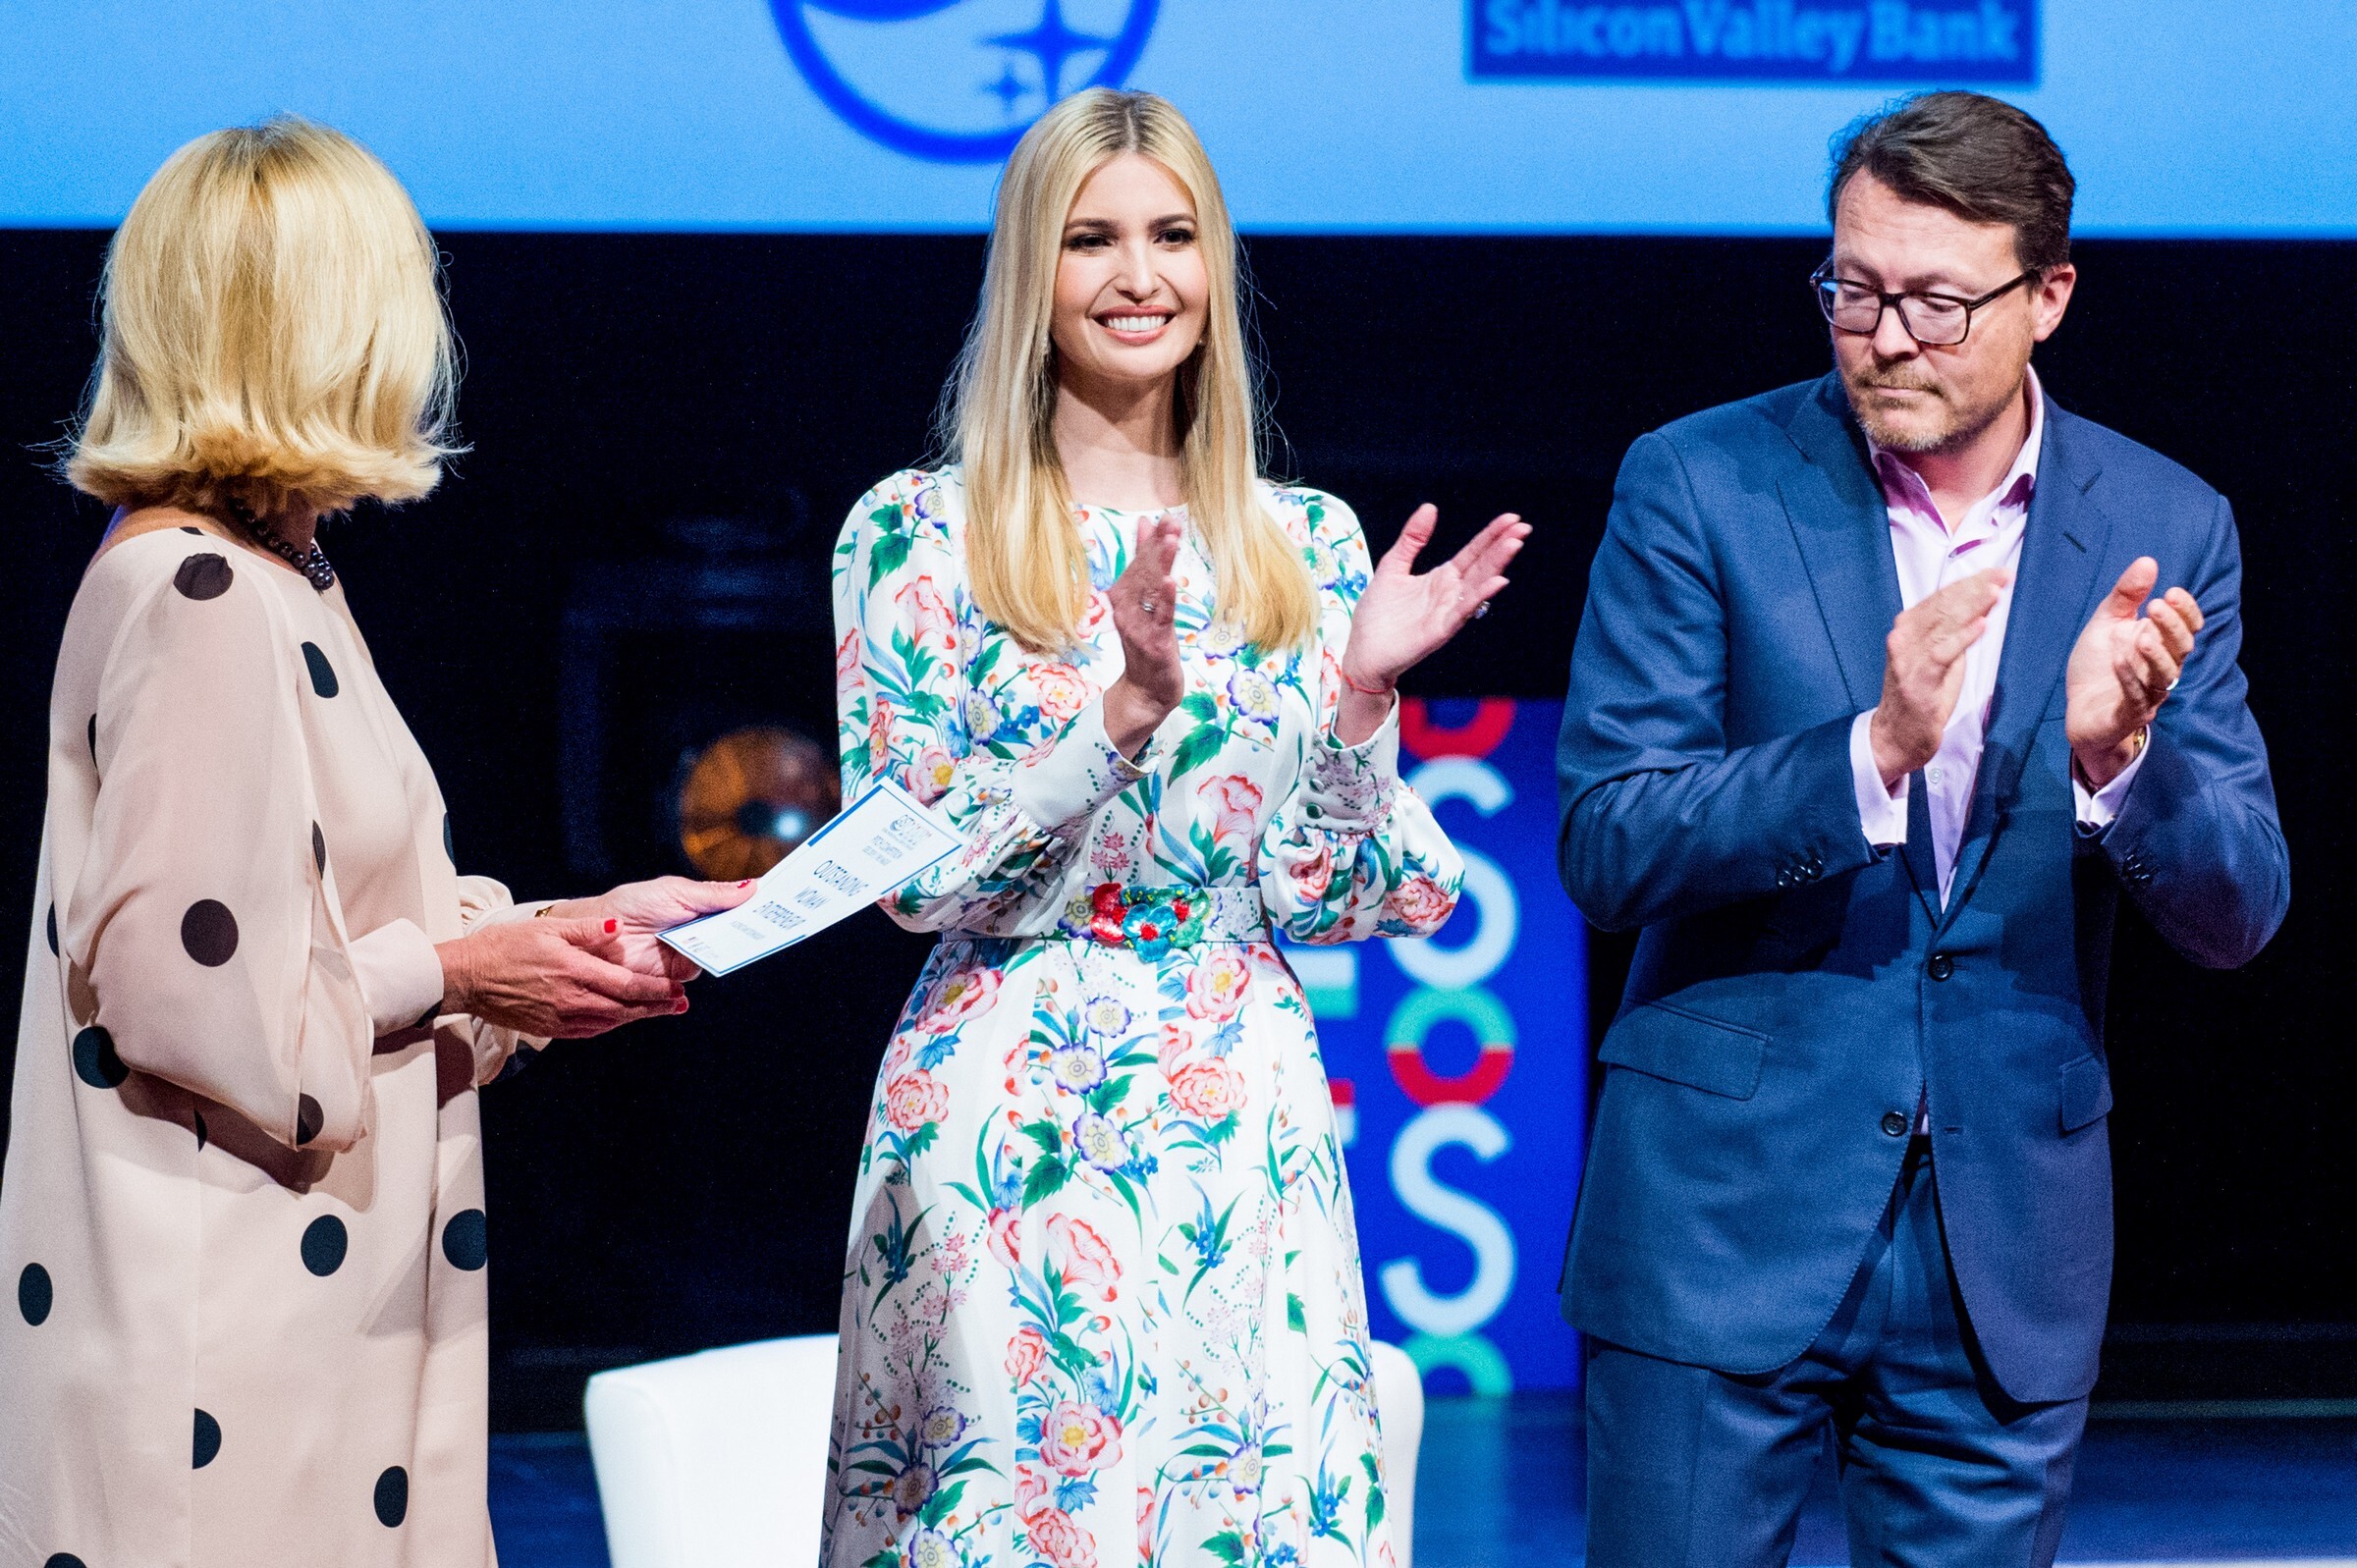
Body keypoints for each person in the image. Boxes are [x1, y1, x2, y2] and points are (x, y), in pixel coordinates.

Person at [0, 118, 751, 1567]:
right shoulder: (202, 591)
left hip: (294, 1307)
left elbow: (316, 919)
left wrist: (558, 929)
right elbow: (192, 998)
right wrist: (467, 970)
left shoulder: (273, 573)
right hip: (229, 1344)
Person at [1556, 91, 2287, 1564]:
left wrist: (2118, 765)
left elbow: (2240, 908)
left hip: (2000, 1250)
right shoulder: (1699, 481)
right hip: (1720, 1221)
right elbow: (1611, 841)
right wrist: (1868, 753)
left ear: (2048, 297)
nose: (1885, 337)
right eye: (1853, 289)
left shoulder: (2164, 523)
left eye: (1938, 303)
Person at [823, 88, 1526, 1568]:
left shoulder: (1305, 544)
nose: (1139, 276)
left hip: (1241, 1105)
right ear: (1033, 268)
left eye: (1173, 235)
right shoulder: (915, 533)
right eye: (1091, 240)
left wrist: (1362, 702)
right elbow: (907, 879)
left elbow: (1357, 897)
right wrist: (1119, 718)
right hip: (1009, 1104)